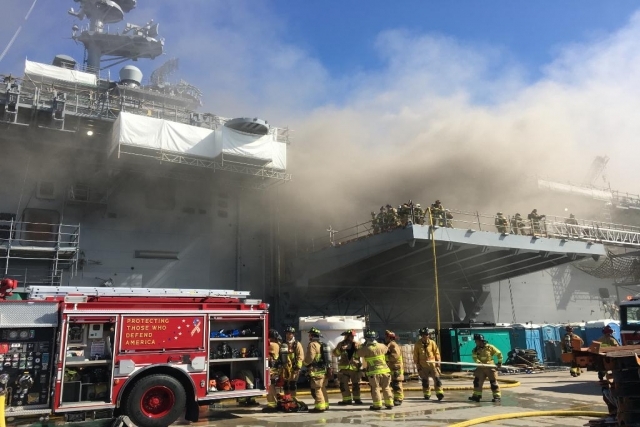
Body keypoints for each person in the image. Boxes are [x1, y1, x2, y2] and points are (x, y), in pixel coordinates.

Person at [355, 329, 394, 411]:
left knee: (375, 388)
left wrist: (362, 345)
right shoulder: (382, 346)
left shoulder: (366, 349)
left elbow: (358, 353)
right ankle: (389, 403)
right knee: (386, 387)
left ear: (367, 339)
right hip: (385, 371)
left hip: (374, 372)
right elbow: (387, 351)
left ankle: (377, 405)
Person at [469, 334, 503, 402]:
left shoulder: (490, 347)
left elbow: (499, 354)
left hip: (490, 367)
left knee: (493, 383)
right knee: (477, 382)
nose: (475, 342)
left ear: (480, 341)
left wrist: (499, 363)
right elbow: (474, 357)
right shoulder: (475, 350)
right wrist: (478, 363)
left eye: (476, 341)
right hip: (480, 368)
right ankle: (477, 396)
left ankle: (497, 397)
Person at [333, 329, 362, 405]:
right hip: (344, 368)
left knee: (356, 384)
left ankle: (357, 399)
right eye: (350, 336)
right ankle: (347, 400)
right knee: (343, 384)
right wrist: (341, 349)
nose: (352, 337)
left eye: (353, 336)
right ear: (346, 336)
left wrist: (357, 349)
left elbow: (362, 353)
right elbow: (335, 354)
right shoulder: (341, 344)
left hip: (355, 367)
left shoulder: (357, 344)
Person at [413, 327, 444, 400]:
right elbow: (415, 356)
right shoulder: (417, 344)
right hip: (423, 366)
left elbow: (437, 353)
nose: (424, 337)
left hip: (433, 366)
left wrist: (438, 363)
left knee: (437, 380)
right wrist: (418, 366)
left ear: (428, 335)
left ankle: (439, 393)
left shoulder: (432, 343)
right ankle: (427, 394)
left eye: (426, 335)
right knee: (425, 381)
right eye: (423, 335)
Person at [304, 327, 330, 412]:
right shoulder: (322, 344)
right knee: (322, 388)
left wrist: (305, 364)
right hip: (323, 370)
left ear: (312, 335)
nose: (309, 336)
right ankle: (326, 404)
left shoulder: (312, 344)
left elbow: (310, 358)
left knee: (317, 389)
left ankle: (320, 407)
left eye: (309, 335)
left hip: (316, 371)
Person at [262, 329, 283, 412]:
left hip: (271, 370)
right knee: (272, 387)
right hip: (275, 370)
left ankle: (272, 405)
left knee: (270, 388)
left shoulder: (272, 345)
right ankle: (274, 403)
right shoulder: (278, 344)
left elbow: (264, 346)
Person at [281, 326, 304, 397]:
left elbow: (301, 356)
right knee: (285, 385)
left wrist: (298, 367)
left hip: (294, 368)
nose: (288, 335)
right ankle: (287, 399)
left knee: (292, 385)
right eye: (287, 333)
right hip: (285, 368)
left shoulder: (297, 344)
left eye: (290, 334)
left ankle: (293, 399)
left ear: (293, 334)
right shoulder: (283, 343)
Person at [384, 330, 404, 406]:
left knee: (397, 384)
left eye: (386, 336)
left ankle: (399, 399)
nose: (385, 338)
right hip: (392, 368)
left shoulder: (393, 345)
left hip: (396, 368)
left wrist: (386, 358)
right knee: (393, 384)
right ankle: (396, 398)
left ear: (389, 338)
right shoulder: (389, 344)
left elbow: (395, 356)